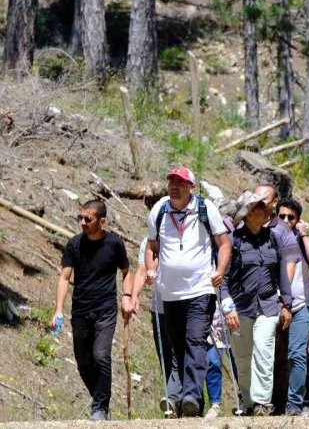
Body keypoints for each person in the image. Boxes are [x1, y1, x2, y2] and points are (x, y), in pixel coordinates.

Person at [145, 167, 232, 418]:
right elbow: (152, 247)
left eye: (181, 183)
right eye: (171, 182)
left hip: (200, 289)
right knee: (179, 347)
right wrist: (151, 269)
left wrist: (220, 270)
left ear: (191, 187)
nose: (174, 187)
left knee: (195, 339)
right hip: (170, 292)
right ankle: (192, 401)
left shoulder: (205, 208)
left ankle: (191, 395)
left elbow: (224, 244)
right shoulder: (159, 210)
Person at [51, 199, 132, 421]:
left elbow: (127, 272)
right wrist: (58, 310)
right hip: (80, 311)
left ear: (101, 221)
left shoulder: (114, 244)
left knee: (101, 356)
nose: (83, 222)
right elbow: (64, 277)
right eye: (81, 217)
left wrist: (127, 297)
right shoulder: (74, 244)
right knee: (83, 362)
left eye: (88, 219)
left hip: (105, 310)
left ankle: (100, 408)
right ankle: (99, 401)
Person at [221, 190, 297, 416]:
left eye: (265, 206)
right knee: (243, 359)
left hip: (268, 306)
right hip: (239, 308)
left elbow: (282, 274)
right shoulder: (233, 241)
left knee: (264, 351)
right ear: (248, 214)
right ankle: (248, 402)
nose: (266, 210)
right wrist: (227, 305)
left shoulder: (274, 238)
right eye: (259, 207)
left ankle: (262, 403)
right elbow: (222, 278)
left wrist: (287, 304)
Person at [275, 197, 309, 416]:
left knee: (297, 355)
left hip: (301, 306)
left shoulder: (305, 240)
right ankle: (273, 403)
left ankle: (295, 403)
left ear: (298, 219)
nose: (286, 220)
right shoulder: (270, 237)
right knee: (274, 357)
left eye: (291, 217)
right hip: (273, 305)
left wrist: (303, 234)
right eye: (282, 216)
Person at [132, 237, 182, 417]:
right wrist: (133, 296)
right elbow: (141, 271)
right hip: (159, 307)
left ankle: (175, 397)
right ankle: (175, 405)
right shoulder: (148, 241)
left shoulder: (181, 236)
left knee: (178, 355)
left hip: (182, 304)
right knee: (165, 357)